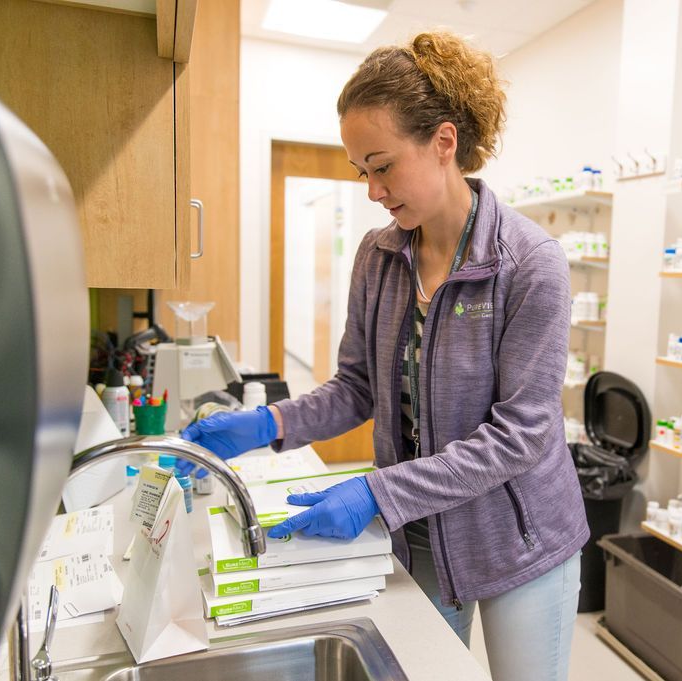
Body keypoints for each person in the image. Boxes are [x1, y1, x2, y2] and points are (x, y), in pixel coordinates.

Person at [178, 31, 589, 681]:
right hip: (419, 529)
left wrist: (375, 489)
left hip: (521, 538)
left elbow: (521, 437)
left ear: (444, 143)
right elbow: (357, 386)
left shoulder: (528, 264)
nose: (372, 189)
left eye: (382, 164)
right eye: (360, 171)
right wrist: (269, 424)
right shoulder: (380, 256)